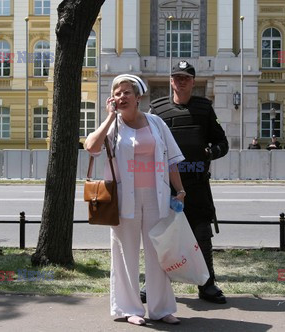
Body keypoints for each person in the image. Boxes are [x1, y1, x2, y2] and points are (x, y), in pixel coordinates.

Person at [84, 74, 184, 326]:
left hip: (155, 196)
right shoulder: (113, 126)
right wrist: (108, 117)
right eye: (117, 94)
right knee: (124, 253)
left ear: (138, 97)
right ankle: (129, 309)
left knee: (158, 254)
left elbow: (171, 159)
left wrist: (180, 190)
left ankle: (161, 309)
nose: (122, 97)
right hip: (122, 198)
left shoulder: (156, 123)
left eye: (127, 92)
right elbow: (91, 147)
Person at [149, 60, 229, 304]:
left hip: (196, 184)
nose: (181, 81)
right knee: (161, 237)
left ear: (193, 82)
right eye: (177, 77)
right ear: (171, 81)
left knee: (201, 234)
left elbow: (222, 144)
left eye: (186, 77)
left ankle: (207, 284)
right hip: (167, 187)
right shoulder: (157, 109)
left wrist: (209, 153)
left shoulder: (205, 109)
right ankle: (154, 285)